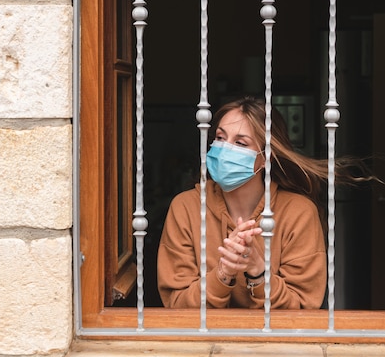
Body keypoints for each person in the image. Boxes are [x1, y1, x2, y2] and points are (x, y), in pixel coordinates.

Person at [157, 95, 375, 309]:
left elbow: (302, 307)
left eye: (240, 143)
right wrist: (223, 272)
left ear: (266, 156)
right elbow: (177, 304)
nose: (224, 150)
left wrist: (257, 270)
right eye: (220, 138)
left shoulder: (298, 212)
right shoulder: (185, 207)